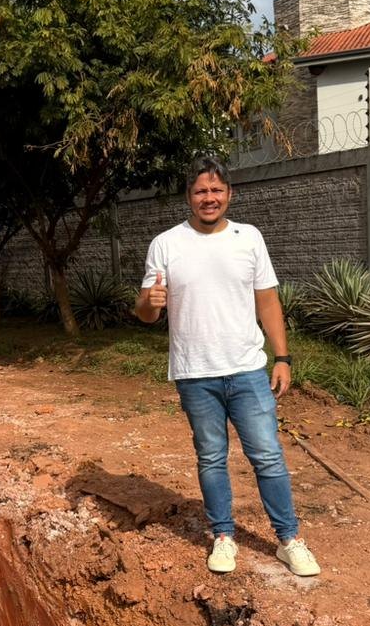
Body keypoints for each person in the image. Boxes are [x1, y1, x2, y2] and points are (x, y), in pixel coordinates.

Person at [135, 154, 320, 578]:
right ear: (189, 196)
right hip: (195, 372)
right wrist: (148, 302)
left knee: (268, 456)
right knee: (211, 457)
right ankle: (223, 535)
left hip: (247, 369)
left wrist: (283, 357)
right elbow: (146, 313)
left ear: (229, 194)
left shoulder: (248, 238)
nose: (209, 197)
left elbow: (267, 301)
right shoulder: (166, 244)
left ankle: (289, 540)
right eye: (201, 190)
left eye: (216, 190)